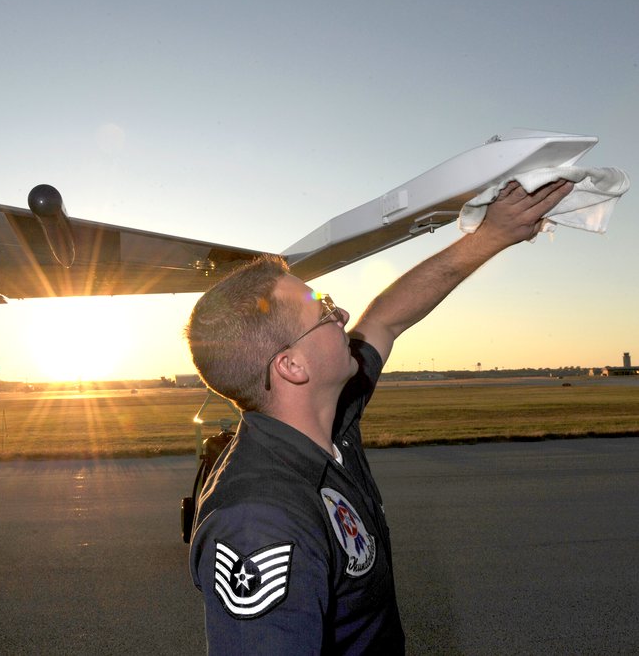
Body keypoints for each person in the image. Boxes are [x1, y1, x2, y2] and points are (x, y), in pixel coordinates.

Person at [185, 179, 573, 654]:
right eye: (323, 312)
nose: (342, 314)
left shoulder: (331, 418)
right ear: (291, 366)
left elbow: (387, 317)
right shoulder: (259, 521)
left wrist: (492, 235)